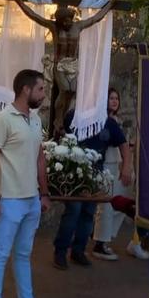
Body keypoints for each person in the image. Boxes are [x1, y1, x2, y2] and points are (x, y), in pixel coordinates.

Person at [0, 69, 58, 298]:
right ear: (26, 90)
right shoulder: (3, 119)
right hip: (9, 198)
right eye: (40, 89)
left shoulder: (35, 120)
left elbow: (39, 158)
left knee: (24, 254)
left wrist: (44, 193)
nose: (43, 94)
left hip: (30, 199)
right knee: (0, 253)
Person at [52, 91, 132, 269]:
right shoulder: (74, 116)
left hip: (95, 175)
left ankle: (78, 250)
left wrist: (127, 166)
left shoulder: (109, 122)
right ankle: (60, 251)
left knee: (88, 214)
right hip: (75, 173)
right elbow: (61, 132)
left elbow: (124, 146)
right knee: (73, 212)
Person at [92, 89, 136, 259]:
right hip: (106, 165)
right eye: (111, 98)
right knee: (107, 204)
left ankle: (103, 236)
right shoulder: (102, 121)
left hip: (117, 164)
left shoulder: (117, 120)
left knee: (121, 202)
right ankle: (100, 243)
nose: (114, 101)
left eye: (116, 98)